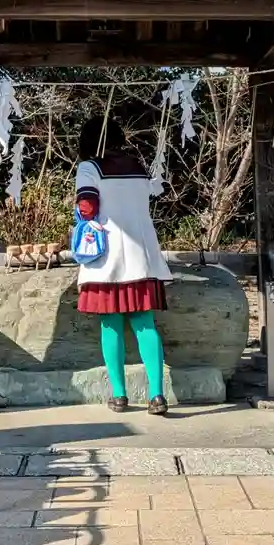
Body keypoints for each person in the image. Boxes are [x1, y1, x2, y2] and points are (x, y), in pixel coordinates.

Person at [73, 115, 173, 415]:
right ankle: (157, 395)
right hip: (142, 256)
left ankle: (119, 395)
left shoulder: (89, 168)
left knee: (111, 325)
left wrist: (80, 215)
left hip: (107, 259)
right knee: (145, 325)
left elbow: (87, 206)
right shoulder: (137, 167)